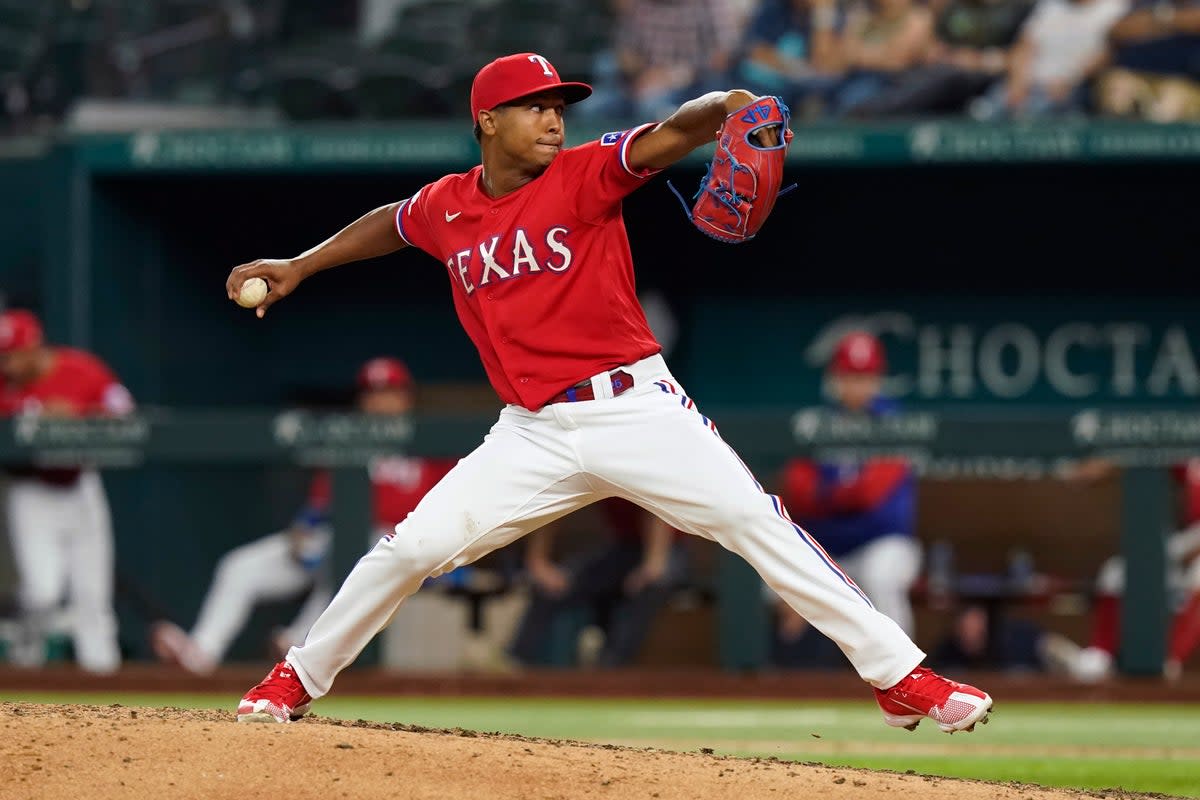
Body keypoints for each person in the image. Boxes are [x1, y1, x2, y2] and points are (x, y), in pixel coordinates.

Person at [226, 51, 993, 733]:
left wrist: (726, 105)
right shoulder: (449, 205)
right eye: (537, 108)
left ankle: (901, 678)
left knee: (752, 520)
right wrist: (300, 264)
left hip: (635, 408)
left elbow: (672, 133)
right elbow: (394, 222)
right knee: (410, 549)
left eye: (561, 108)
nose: (555, 121)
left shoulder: (586, 171)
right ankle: (295, 678)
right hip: (530, 432)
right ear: (488, 121)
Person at [150, 356, 457, 674]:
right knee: (240, 567)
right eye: (372, 393)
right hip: (331, 542)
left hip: (389, 545)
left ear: (407, 397)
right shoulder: (347, 436)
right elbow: (319, 506)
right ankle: (201, 653)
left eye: (390, 392)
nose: (381, 401)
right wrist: (301, 533)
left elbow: (448, 510)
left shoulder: (429, 444)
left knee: (351, 558)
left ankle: (298, 644)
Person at [770, 332, 922, 666]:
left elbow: (871, 498)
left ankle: (906, 672)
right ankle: (772, 681)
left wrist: (828, 497)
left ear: (878, 379)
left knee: (880, 575)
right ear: (836, 379)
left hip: (883, 545)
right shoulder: (817, 423)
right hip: (829, 549)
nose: (857, 386)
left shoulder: (895, 424)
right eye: (850, 376)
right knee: (772, 580)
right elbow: (798, 493)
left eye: (865, 377)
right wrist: (841, 498)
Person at [0, 308, 136, 674]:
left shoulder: (80, 368)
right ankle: (24, 663)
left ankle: (105, 683)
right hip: (31, 489)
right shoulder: (4, 384)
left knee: (93, 596)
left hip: (80, 484)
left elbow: (125, 412)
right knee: (42, 592)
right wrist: (33, 413)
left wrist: (78, 416)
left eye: (12, 355)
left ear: (33, 346)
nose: (7, 366)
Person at [507, 498, 688, 668]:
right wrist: (537, 561)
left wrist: (654, 562)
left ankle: (610, 672)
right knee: (549, 589)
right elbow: (552, 501)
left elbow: (654, 504)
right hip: (622, 548)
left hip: (668, 547)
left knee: (651, 585)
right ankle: (514, 665)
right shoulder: (583, 468)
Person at [844, 0, 1035, 117]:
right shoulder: (956, 6)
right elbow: (935, 44)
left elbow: (1022, 52)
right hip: (945, 68)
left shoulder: (1018, 8)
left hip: (986, 75)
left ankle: (872, 113)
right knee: (928, 75)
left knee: (948, 76)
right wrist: (943, 54)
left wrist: (979, 60)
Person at [973, 0, 1130, 118]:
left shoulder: (1115, 7)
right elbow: (1025, 45)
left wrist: (1069, 81)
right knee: (983, 112)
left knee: (1032, 115)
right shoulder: (1051, 5)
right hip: (1029, 83)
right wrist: (1018, 83)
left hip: (1071, 89)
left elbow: (1105, 54)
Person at [733, 0, 847, 118]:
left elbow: (825, 63)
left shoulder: (827, 11)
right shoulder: (773, 8)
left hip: (804, 87)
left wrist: (822, 16)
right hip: (762, 85)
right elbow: (756, 50)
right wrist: (793, 68)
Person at [1094, 0, 1200, 121]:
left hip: (1186, 84)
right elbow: (1119, 30)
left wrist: (1162, 19)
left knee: (1169, 102)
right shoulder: (1147, 3)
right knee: (1118, 88)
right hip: (1139, 76)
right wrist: (1173, 20)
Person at [832, 0, 936, 116]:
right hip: (851, 77)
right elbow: (840, 58)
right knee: (816, 87)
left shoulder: (918, 18)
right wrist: (878, 54)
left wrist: (859, 54)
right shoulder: (863, 18)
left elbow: (897, 60)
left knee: (854, 97)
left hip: (894, 82)